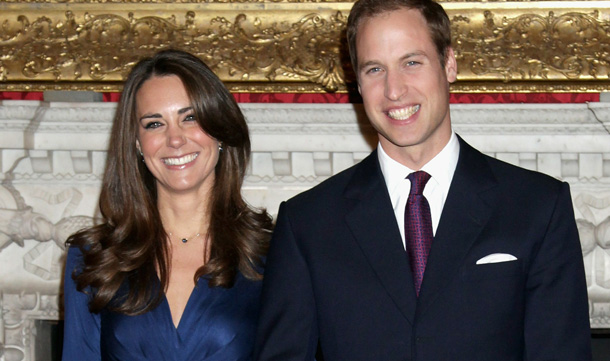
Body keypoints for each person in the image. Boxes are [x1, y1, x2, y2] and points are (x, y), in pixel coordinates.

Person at [254, 0, 592, 360]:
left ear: (449, 64)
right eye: (374, 70)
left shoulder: (538, 206)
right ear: (357, 81)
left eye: (411, 63)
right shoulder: (307, 222)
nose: (394, 90)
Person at [63, 49, 273, 360]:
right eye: (154, 124)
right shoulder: (93, 258)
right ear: (136, 143)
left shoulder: (275, 253)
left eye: (190, 117)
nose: (175, 139)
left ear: (219, 130)